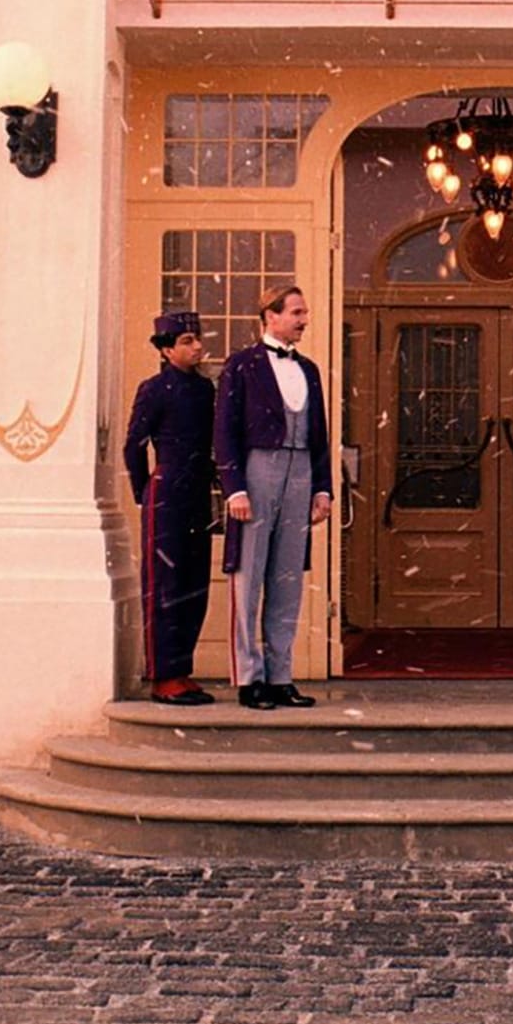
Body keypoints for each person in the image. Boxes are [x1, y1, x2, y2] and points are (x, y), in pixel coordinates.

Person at [214, 284, 333, 710]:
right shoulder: (242, 365)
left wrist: (322, 488)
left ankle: (281, 676)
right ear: (271, 315)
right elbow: (224, 431)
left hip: (300, 468)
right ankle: (250, 679)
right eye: (297, 312)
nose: (304, 320)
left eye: (305, 312)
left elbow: (319, 435)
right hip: (258, 468)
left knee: (286, 578)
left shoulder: (311, 370)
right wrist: (235, 488)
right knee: (248, 575)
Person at [122, 310, 218, 706]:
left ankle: (183, 669)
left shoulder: (206, 389)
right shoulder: (154, 389)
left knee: (195, 584)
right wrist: (145, 490)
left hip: (197, 494)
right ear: (165, 350)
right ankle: (163, 675)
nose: (196, 346)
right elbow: (134, 444)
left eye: (197, 339)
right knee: (165, 585)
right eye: (185, 341)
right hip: (167, 496)